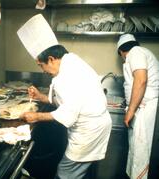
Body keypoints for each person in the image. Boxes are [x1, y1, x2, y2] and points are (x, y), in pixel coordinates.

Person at [17, 14, 112, 179]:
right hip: (93, 126)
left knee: (65, 173)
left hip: (88, 131)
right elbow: (65, 101)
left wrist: (35, 116)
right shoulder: (70, 60)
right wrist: (40, 96)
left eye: (41, 65)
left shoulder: (67, 76)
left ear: (51, 59)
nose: (43, 71)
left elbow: (67, 114)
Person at [117, 34, 159, 179]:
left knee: (140, 152)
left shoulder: (136, 52)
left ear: (121, 52)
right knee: (137, 151)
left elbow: (141, 80)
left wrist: (131, 110)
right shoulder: (140, 53)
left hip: (144, 108)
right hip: (142, 107)